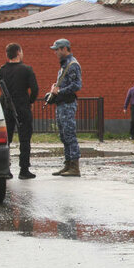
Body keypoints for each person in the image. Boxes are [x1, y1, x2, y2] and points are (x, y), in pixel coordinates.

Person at [0, 43, 39, 180]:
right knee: (25, 140)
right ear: (18, 52)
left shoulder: (1, 71)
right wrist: (30, 101)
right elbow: (35, 89)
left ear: (7, 55)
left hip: (6, 109)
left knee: (6, 140)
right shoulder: (27, 70)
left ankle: (5, 168)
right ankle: (24, 170)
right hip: (23, 108)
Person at [48, 38, 82, 177]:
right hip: (61, 103)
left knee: (69, 134)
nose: (55, 52)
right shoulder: (64, 65)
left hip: (68, 104)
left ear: (64, 48)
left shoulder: (72, 64)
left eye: (57, 49)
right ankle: (68, 164)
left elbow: (77, 85)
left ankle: (74, 166)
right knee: (63, 135)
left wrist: (60, 91)